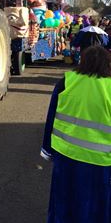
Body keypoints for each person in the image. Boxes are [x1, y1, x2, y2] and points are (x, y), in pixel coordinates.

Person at [41, 45, 111, 223]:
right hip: (101, 161)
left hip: (66, 156)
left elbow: (51, 117)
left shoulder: (66, 81)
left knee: (64, 199)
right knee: (97, 204)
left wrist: (47, 149)